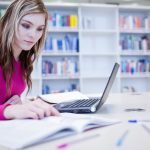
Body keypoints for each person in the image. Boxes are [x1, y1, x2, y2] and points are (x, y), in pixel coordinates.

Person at [0, 0, 60, 120]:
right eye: (26, 25)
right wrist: (9, 109)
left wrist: (22, 104)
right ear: (9, 22)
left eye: (40, 29)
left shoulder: (24, 58)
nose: (33, 35)